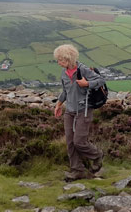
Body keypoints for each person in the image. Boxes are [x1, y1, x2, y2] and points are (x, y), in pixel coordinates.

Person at [53, 44, 105, 181]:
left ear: (69, 59)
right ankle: (77, 170)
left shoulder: (83, 70)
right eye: (58, 60)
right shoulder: (64, 73)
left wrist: (87, 84)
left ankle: (97, 155)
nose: (58, 62)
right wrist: (58, 105)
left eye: (61, 60)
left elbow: (100, 80)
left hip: (84, 110)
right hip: (69, 111)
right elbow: (65, 91)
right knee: (70, 143)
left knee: (79, 142)